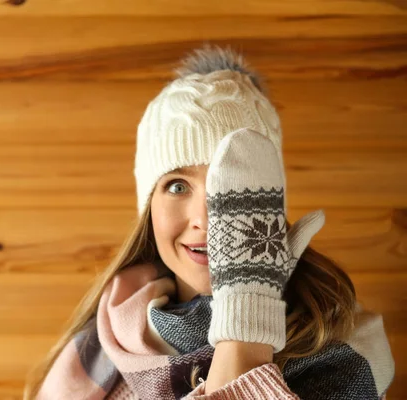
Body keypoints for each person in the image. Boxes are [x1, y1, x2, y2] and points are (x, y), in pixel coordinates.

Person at [24, 43, 395, 399]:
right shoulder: (103, 341)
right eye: (178, 185)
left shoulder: (343, 349)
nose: (206, 219)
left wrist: (247, 322)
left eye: (229, 186)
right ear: (149, 207)